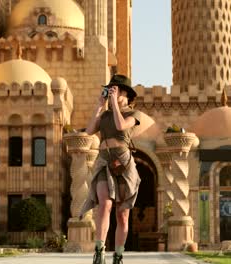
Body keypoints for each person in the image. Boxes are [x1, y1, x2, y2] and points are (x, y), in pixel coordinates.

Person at [80, 74, 141, 264]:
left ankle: (118, 255)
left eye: (115, 89)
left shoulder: (133, 114)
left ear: (126, 94)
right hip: (104, 160)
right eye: (110, 89)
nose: (112, 92)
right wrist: (100, 105)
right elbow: (89, 131)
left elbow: (121, 126)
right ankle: (99, 251)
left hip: (123, 161)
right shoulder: (105, 114)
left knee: (122, 215)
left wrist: (114, 104)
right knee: (104, 205)